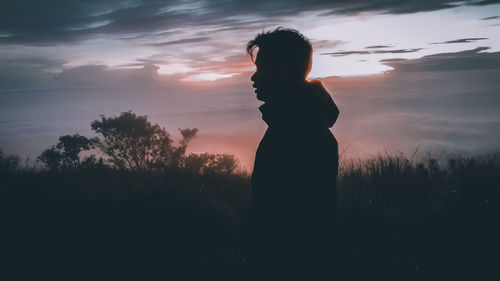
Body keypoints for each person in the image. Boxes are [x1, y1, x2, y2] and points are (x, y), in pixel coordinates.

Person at [245, 28, 340, 278]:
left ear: (283, 71)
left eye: (261, 69)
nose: (254, 79)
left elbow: (289, 227)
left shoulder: (296, 133)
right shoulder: (296, 124)